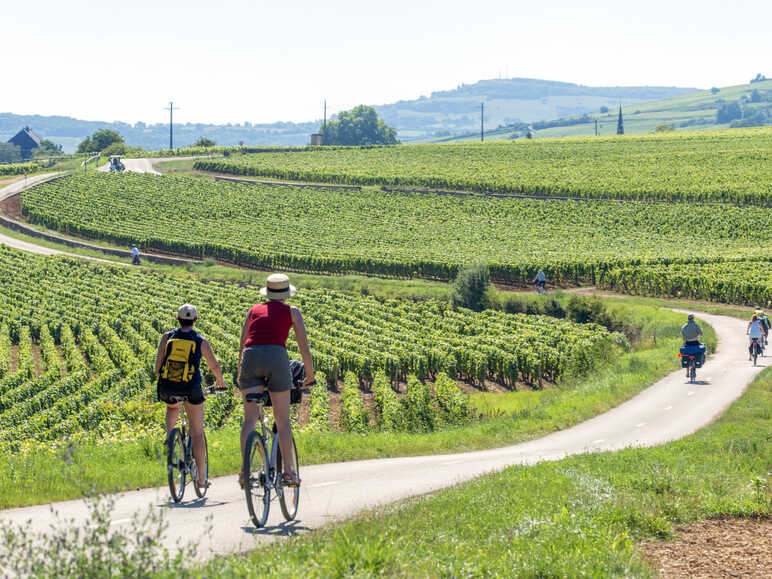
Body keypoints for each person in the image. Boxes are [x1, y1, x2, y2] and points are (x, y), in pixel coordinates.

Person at [238, 273, 315, 487]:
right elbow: (303, 346)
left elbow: (242, 344)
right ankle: (289, 471)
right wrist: (310, 374)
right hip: (276, 357)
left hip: (250, 358)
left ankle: (245, 470)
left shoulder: (253, 310)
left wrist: (239, 372)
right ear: (286, 294)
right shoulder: (292, 312)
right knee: (282, 421)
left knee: (249, 420)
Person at [156, 304, 227, 489]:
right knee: (197, 433)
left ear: (177, 319)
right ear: (195, 320)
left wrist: (170, 380)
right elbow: (214, 365)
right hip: (192, 387)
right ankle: (202, 479)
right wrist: (220, 380)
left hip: (167, 387)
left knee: (172, 406)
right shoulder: (200, 340)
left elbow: (157, 368)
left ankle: (170, 437)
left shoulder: (167, 337)